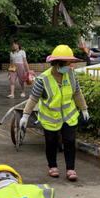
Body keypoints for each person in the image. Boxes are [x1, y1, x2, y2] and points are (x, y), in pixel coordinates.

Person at [19, 45, 89, 180]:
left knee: (69, 141)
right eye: (66, 64)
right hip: (50, 117)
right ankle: (53, 166)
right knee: (51, 142)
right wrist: (25, 116)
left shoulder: (72, 75)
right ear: (57, 63)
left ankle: (70, 169)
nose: (69, 67)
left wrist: (84, 109)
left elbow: (77, 93)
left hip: (69, 115)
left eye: (70, 64)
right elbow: (33, 99)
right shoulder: (43, 79)